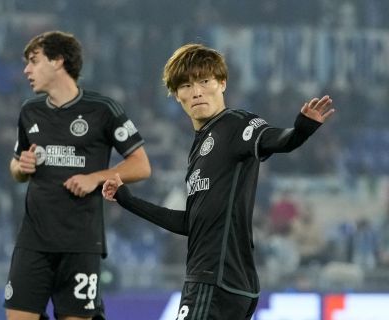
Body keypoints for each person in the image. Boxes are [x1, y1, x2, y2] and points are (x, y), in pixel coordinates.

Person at [102, 43, 335, 320]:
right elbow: (190, 223)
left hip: (214, 279)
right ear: (177, 95)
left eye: (204, 81)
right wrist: (126, 199)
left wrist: (301, 131)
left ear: (222, 83)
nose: (197, 91)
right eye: (186, 86)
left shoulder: (236, 124)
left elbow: (277, 140)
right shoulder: (198, 149)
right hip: (225, 282)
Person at [4, 31, 151, 320]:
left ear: (58, 61)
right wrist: (22, 166)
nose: (26, 70)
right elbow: (16, 167)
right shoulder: (29, 111)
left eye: (34, 61)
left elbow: (141, 165)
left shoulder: (102, 110)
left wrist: (95, 177)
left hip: (80, 242)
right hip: (33, 241)